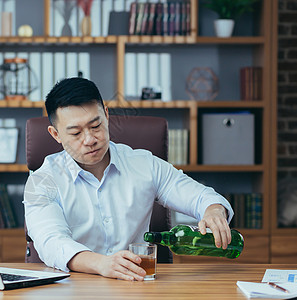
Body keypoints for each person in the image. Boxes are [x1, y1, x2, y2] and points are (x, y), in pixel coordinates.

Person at [23, 77, 234, 281]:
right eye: (76, 133)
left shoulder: (144, 164)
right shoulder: (43, 180)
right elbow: (51, 242)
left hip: (137, 284)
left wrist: (214, 210)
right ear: (56, 134)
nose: (89, 140)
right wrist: (101, 264)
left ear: (106, 115)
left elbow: (201, 197)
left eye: (96, 126)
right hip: (73, 287)